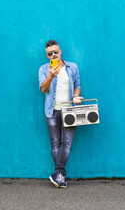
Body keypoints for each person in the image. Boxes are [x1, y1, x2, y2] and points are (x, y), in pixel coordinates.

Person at [38, 40, 83, 188]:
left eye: (55, 52)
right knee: (55, 143)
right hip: (52, 111)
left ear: (60, 51)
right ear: (47, 55)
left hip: (69, 110)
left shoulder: (73, 67)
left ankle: (58, 173)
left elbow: (77, 86)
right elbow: (43, 89)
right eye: (50, 53)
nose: (53, 55)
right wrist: (51, 76)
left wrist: (76, 96)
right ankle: (61, 176)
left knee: (67, 143)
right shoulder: (43, 69)